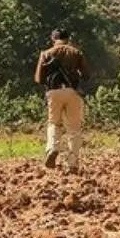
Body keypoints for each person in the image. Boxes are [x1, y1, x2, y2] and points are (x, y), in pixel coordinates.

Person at [34, 28, 90, 172]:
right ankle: (72, 164)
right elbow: (86, 75)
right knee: (74, 129)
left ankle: (52, 148)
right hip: (72, 92)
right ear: (68, 39)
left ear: (53, 39)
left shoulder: (46, 54)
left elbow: (38, 79)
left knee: (54, 123)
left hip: (53, 92)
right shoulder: (76, 52)